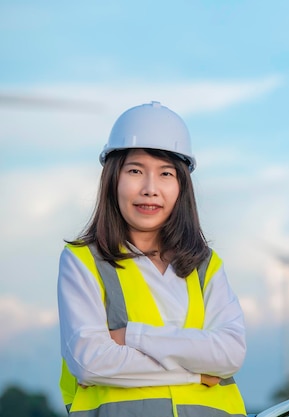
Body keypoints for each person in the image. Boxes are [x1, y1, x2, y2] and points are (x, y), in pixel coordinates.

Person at [56, 101, 247, 416]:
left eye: (165, 173)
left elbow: (229, 355)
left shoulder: (206, 265)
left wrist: (132, 335)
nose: (150, 188)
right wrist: (196, 373)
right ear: (112, 179)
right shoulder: (82, 261)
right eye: (135, 171)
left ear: (181, 185)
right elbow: (89, 361)